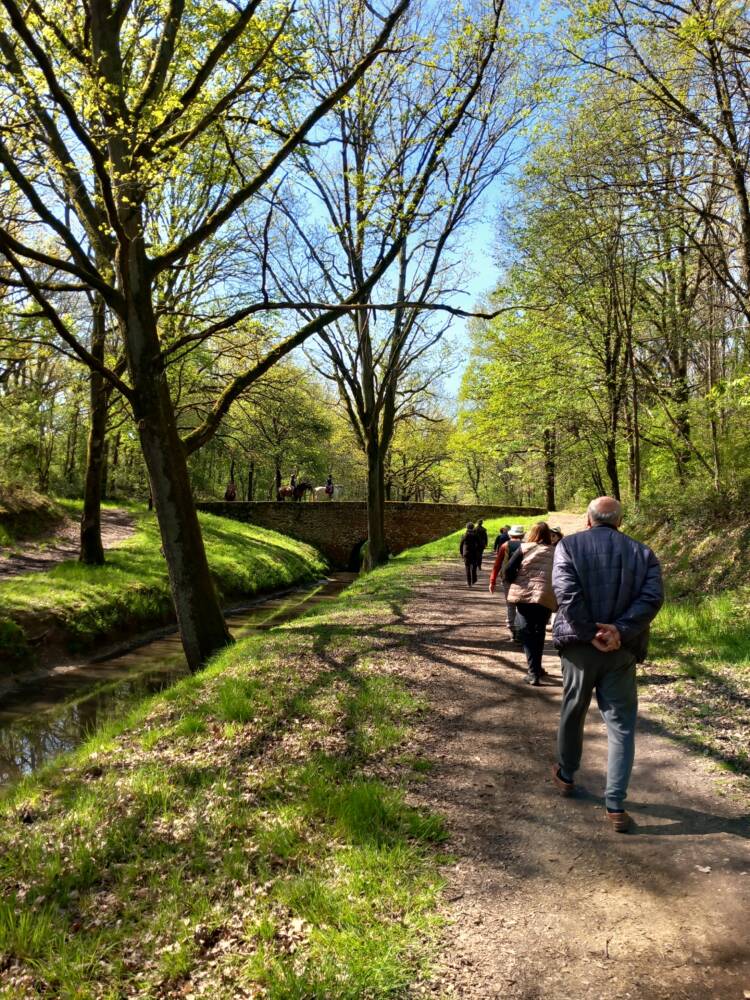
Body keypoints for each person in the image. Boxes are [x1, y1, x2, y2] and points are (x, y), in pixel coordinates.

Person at [551, 496, 663, 833]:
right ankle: (615, 804)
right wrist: (620, 631)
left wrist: (589, 633)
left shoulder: (568, 546)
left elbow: (566, 594)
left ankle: (567, 774)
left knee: (574, 708)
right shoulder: (643, 553)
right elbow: (652, 598)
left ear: (588, 519)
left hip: (579, 647)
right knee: (622, 725)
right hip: (621, 650)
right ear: (619, 521)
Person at [505, 522, 557, 685]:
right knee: (539, 631)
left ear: (532, 533)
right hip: (545, 595)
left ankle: (533, 672)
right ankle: (537, 668)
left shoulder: (524, 548)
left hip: (525, 594)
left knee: (527, 632)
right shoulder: (556, 551)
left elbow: (508, 570)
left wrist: (516, 582)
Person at [488, 525, 525, 640]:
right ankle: (520, 629)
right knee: (521, 605)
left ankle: (512, 629)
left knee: (510, 604)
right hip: (522, 579)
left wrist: (492, 581)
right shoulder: (527, 546)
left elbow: (497, 564)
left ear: (510, 535)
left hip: (507, 578)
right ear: (522, 535)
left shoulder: (505, 546)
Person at [459, 522, 481, 587]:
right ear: (473, 527)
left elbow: (461, 545)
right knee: (474, 567)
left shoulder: (464, 535)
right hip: (474, 553)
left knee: (467, 567)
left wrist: (461, 553)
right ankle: (474, 580)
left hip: (466, 553)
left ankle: (469, 583)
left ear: (466, 527)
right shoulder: (476, 535)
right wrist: (478, 551)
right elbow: (480, 544)